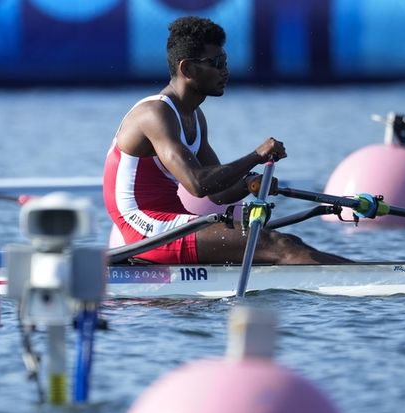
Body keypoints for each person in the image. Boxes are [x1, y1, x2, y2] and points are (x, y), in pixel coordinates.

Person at [103, 16, 349, 265]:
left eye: (225, 62)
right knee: (278, 245)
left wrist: (248, 184)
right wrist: (256, 155)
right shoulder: (155, 114)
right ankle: (376, 283)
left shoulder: (195, 116)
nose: (225, 71)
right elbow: (197, 184)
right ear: (187, 69)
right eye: (216, 62)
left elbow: (219, 194)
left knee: (289, 242)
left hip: (170, 219)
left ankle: (367, 276)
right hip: (145, 229)